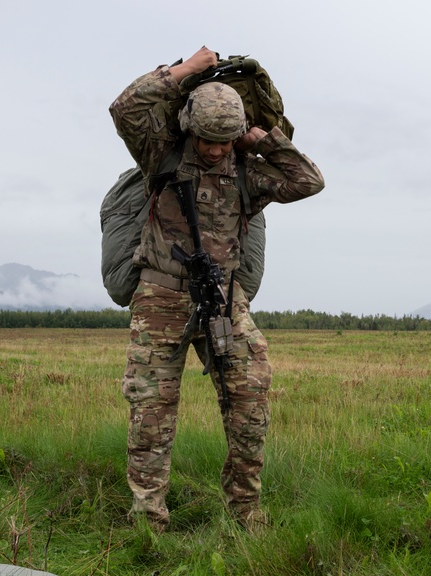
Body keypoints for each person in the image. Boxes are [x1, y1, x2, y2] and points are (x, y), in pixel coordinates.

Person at [109, 47, 324, 533]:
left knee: (250, 395)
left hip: (224, 296)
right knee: (151, 410)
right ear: (189, 125)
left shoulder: (246, 166)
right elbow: (124, 109)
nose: (214, 149)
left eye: (224, 141)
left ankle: (245, 511)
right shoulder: (160, 151)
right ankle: (148, 520)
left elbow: (309, 181)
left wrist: (263, 140)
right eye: (208, 138)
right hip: (160, 295)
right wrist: (184, 71)